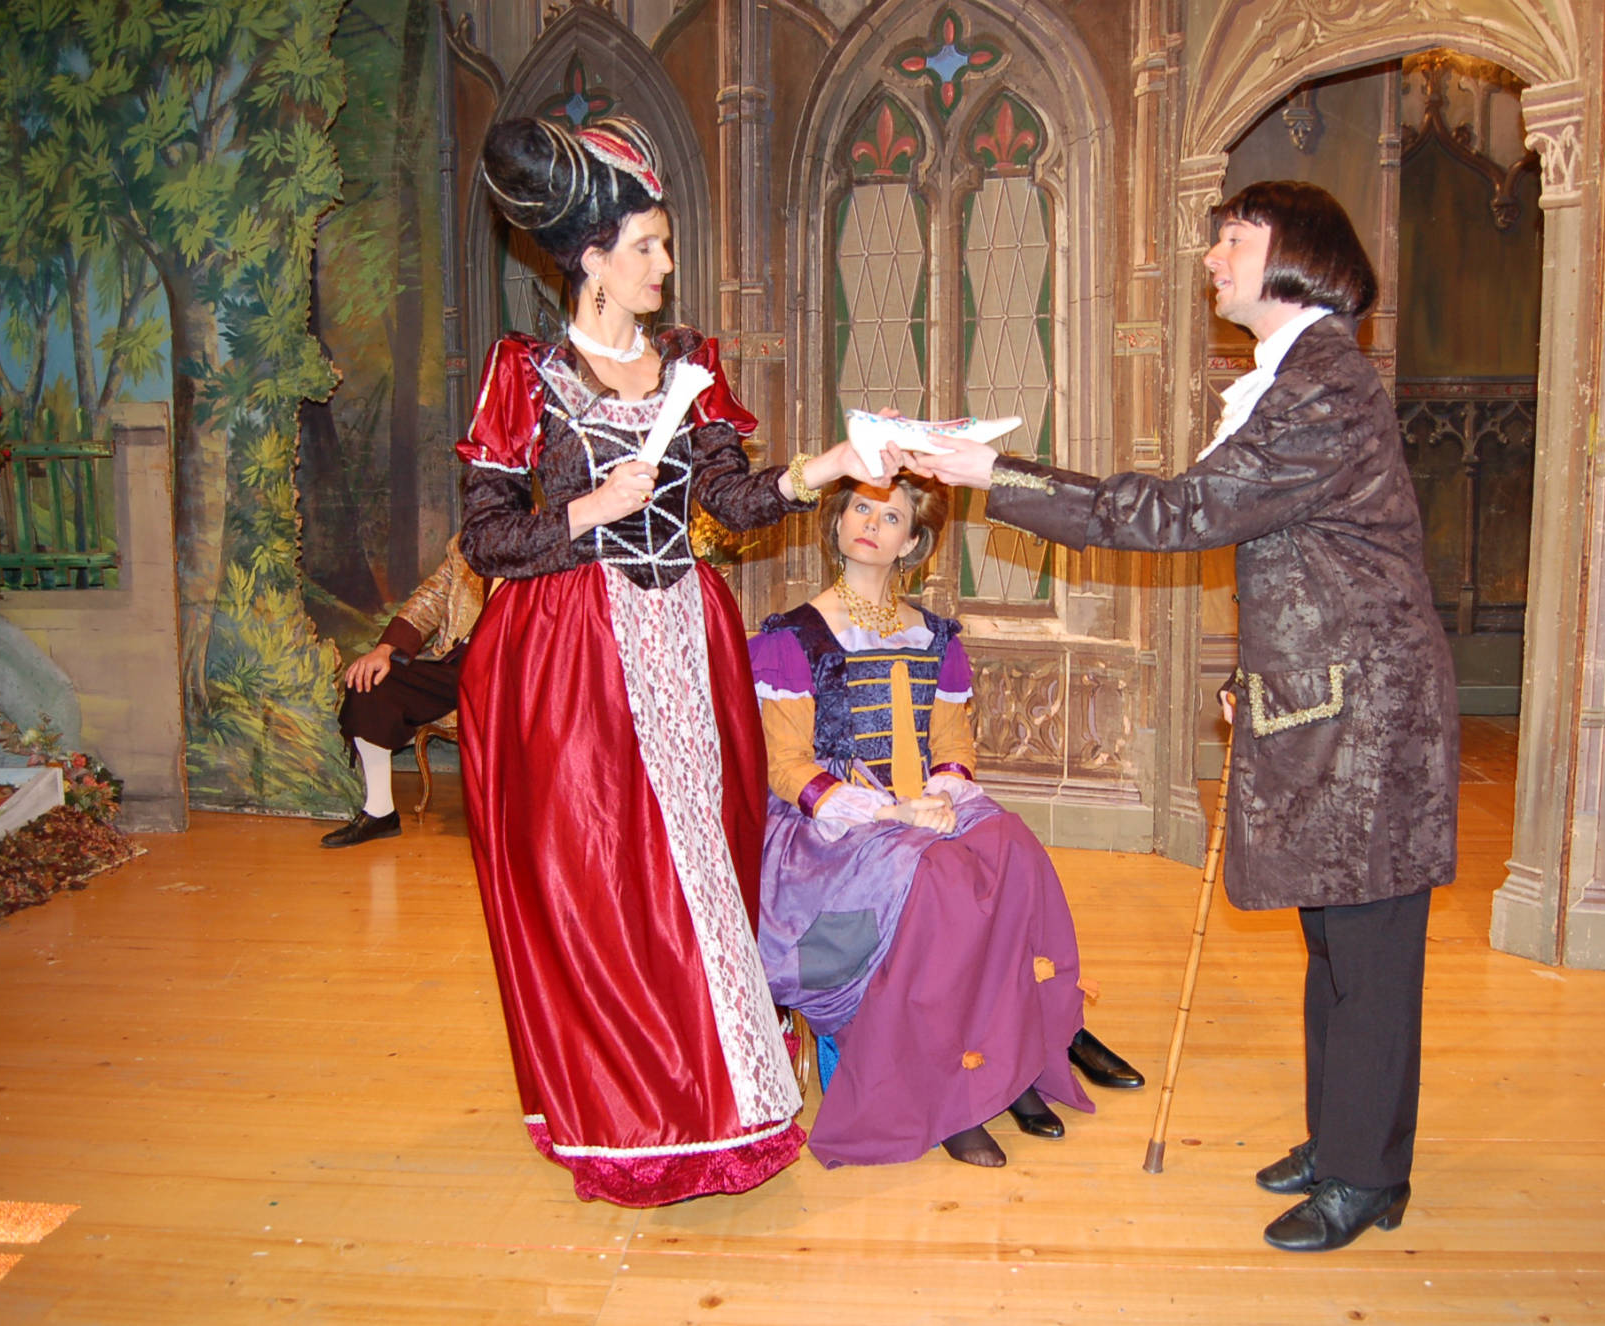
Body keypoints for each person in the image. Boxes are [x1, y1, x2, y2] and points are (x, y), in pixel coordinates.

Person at [911, 180, 1459, 1250]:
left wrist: (996, 474)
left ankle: (1366, 1176)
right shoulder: (1297, 376)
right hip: (1333, 699)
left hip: (1372, 720)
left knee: (1368, 951)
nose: (1213, 258)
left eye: (1234, 239)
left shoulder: (1325, 384)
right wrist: (1266, 669)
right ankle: (1344, 1143)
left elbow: (1184, 512)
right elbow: (1305, 558)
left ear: (1297, 253)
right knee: (1335, 939)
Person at [454, 114, 902, 1206]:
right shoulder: (524, 373)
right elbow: (485, 537)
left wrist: (832, 463)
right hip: (570, 654)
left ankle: (722, 1094)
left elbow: (735, 503)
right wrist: (585, 511)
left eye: (663, 245)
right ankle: (625, 1108)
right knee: (599, 876)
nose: (663, 265)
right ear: (591, 259)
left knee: (699, 862)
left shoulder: (690, 366)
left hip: (684, 639)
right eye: (645, 246)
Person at [748, 475, 1144, 1169]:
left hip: (919, 803)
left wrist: (939, 793)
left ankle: (1036, 1046)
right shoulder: (794, 637)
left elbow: (953, 743)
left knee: (1012, 846)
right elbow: (785, 765)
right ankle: (952, 1088)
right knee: (936, 875)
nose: (870, 524)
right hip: (830, 824)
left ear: (913, 542)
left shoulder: (934, 637)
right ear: (836, 523)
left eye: (890, 516)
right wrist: (890, 811)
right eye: (860, 508)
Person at [321, 536, 485, 848]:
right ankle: (380, 811)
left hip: (513, 671)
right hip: (456, 666)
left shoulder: (547, 538)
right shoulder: (465, 544)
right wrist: (385, 649)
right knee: (372, 682)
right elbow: (431, 598)